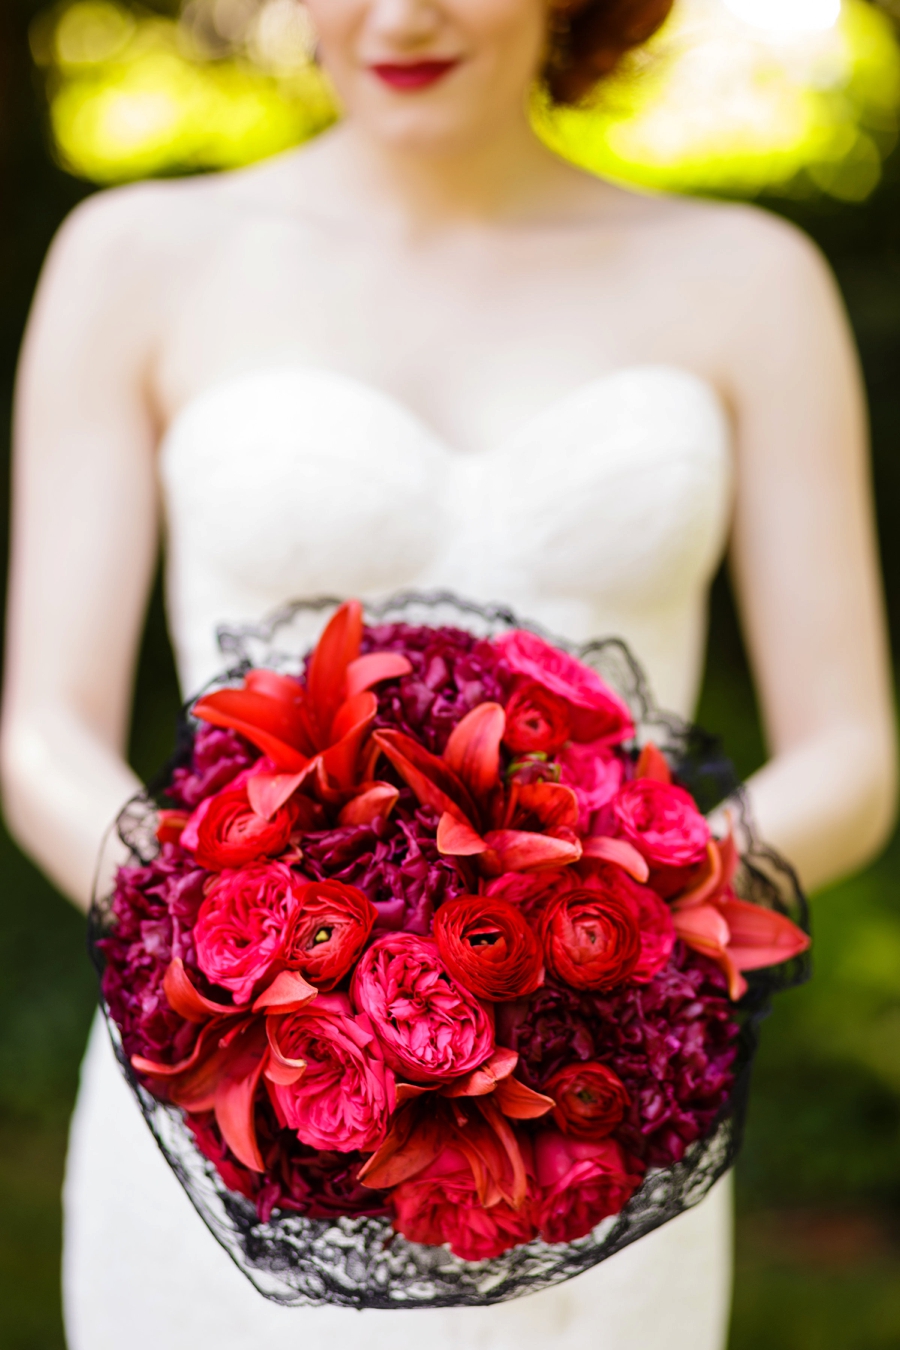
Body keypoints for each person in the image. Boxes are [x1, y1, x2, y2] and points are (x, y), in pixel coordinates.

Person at [1, 0, 896, 1346]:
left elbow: (852, 749)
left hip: (592, 1109)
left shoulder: (749, 280)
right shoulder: (134, 258)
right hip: (243, 1094)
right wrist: (233, 954)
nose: (403, 13)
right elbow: (39, 730)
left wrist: (628, 942)